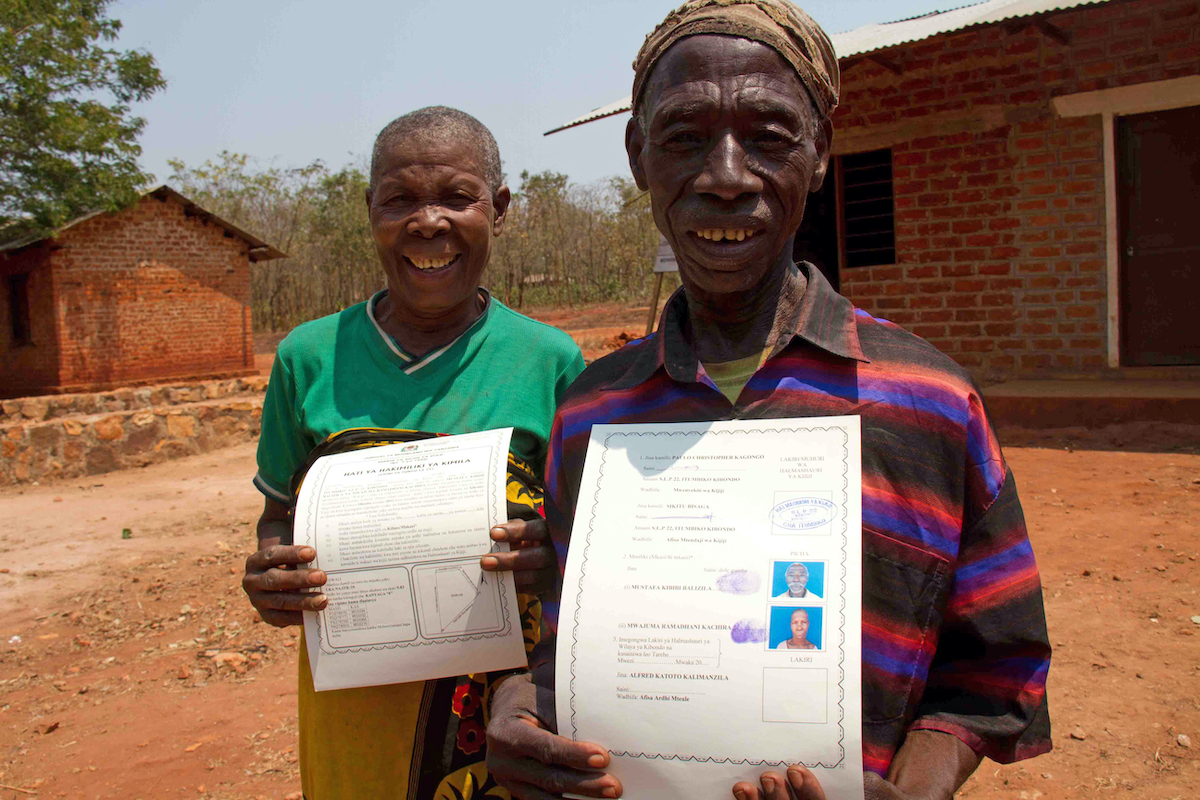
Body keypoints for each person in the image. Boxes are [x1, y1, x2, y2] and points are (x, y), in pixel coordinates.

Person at [484, 2, 1052, 799]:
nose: (724, 175)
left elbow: (997, 671)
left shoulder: (929, 405)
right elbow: (564, 641)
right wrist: (520, 706)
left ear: (819, 155)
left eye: (769, 137)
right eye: (684, 136)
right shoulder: (592, 413)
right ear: (638, 155)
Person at [240, 106, 585, 799]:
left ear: (500, 209)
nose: (428, 222)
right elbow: (278, 516)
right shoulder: (308, 359)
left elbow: (587, 545)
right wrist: (273, 577)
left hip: (506, 711)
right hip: (356, 711)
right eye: (400, 200)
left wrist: (550, 557)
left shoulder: (551, 362)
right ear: (370, 211)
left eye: (457, 197)